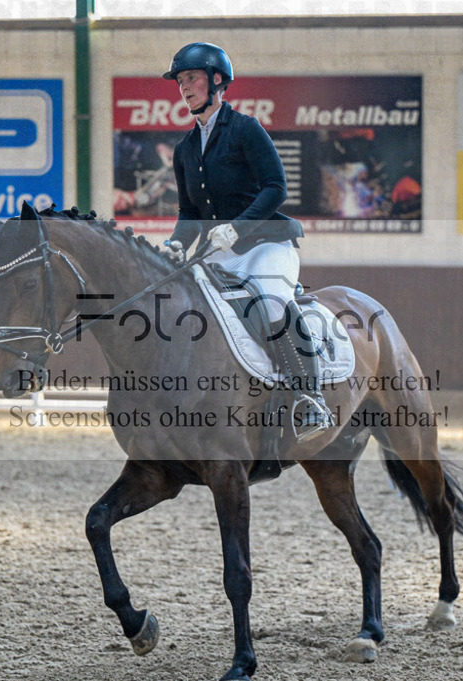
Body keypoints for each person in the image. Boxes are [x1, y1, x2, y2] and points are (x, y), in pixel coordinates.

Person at [158, 42, 334, 441]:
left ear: (217, 80)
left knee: (271, 305)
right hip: (218, 253)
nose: (184, 88)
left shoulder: (245, 129)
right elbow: (189, 213)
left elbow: (276, 187)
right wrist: (175, 243)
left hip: (266, 245)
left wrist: (238, 227)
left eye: (191, 79)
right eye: (180, 81)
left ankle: (310, 399)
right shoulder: (185, 148)